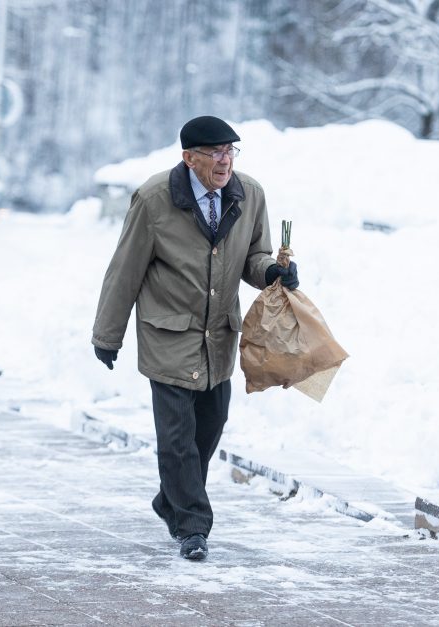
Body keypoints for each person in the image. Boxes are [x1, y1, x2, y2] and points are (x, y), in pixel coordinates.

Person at [91, 115, 299, 560]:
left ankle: (171, 499)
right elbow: (124, 270)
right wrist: (108, 335)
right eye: (215, 153)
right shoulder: (154, 199)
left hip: (218, 337)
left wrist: (272, 272)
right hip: (168, 334)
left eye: (230, 152)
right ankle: (191, 526)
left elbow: (254, 256)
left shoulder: (249, 194)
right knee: (178, 437)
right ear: (189, 158)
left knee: (210, 427)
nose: (225, 161)